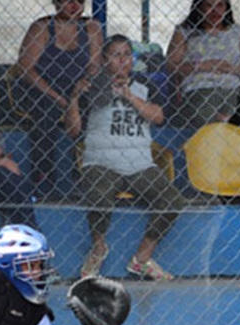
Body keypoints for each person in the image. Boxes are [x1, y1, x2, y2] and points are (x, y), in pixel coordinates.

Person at [66, 34, 185, 281]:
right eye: (116, 55)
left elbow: (158, 116)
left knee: (171, 200)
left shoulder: (145, 86)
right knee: (99, 194)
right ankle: (98, 248)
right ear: (104, 59)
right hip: (101, 162)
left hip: (139, 164)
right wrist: (75, 98)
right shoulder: (92, 85)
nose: (122, 60)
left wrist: (129, 96)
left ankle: (142, 259)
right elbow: (73, 130)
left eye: (126, 55)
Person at [16, 0, 104, 199]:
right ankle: (44, 179)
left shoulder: (91, 27)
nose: (74, 6)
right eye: (69, 0)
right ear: (57, 2)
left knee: (95, 113)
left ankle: (86, 177)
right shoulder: (43, 27)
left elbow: (94, 66)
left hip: (79, 86)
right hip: (44, 88)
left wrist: (81, 88)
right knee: (45, 114)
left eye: (80, 1)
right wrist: (59, 98)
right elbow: (26, 69)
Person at [165, 0, 240, 130]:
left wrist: (233, 69)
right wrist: (201, 66)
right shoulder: (185, 31)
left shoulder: (236, 32)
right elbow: (171, 65)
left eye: (220, 6)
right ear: (200, 8)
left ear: (227, 8)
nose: (215, 11)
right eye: (209, 6)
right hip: (199, 88)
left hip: (232, 89)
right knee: (205, 113)